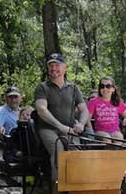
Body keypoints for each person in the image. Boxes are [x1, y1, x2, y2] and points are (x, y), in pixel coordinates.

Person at [34, 53, 89, 183]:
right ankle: (57, 192)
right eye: (51, 65)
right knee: (59, 151)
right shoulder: (42, 87)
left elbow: (84, 109)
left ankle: (77, 185)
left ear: (65, 68)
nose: (54, 68)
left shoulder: (74, 88)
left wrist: (81, 124)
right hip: (48, 129)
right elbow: (41, 109)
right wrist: (60, 127)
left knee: (76, 152)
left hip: (70, 129)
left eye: (57, 65)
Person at [87, 76, 126, 141]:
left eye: (108, 86)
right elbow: (87, 119)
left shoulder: (117, 102)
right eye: (102, 86)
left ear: (113, 89)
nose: (105, 89)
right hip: (100, 132)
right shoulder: (93, 102)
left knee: (119, 137)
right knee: (106, 138)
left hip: (115, 131)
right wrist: (91, 132)